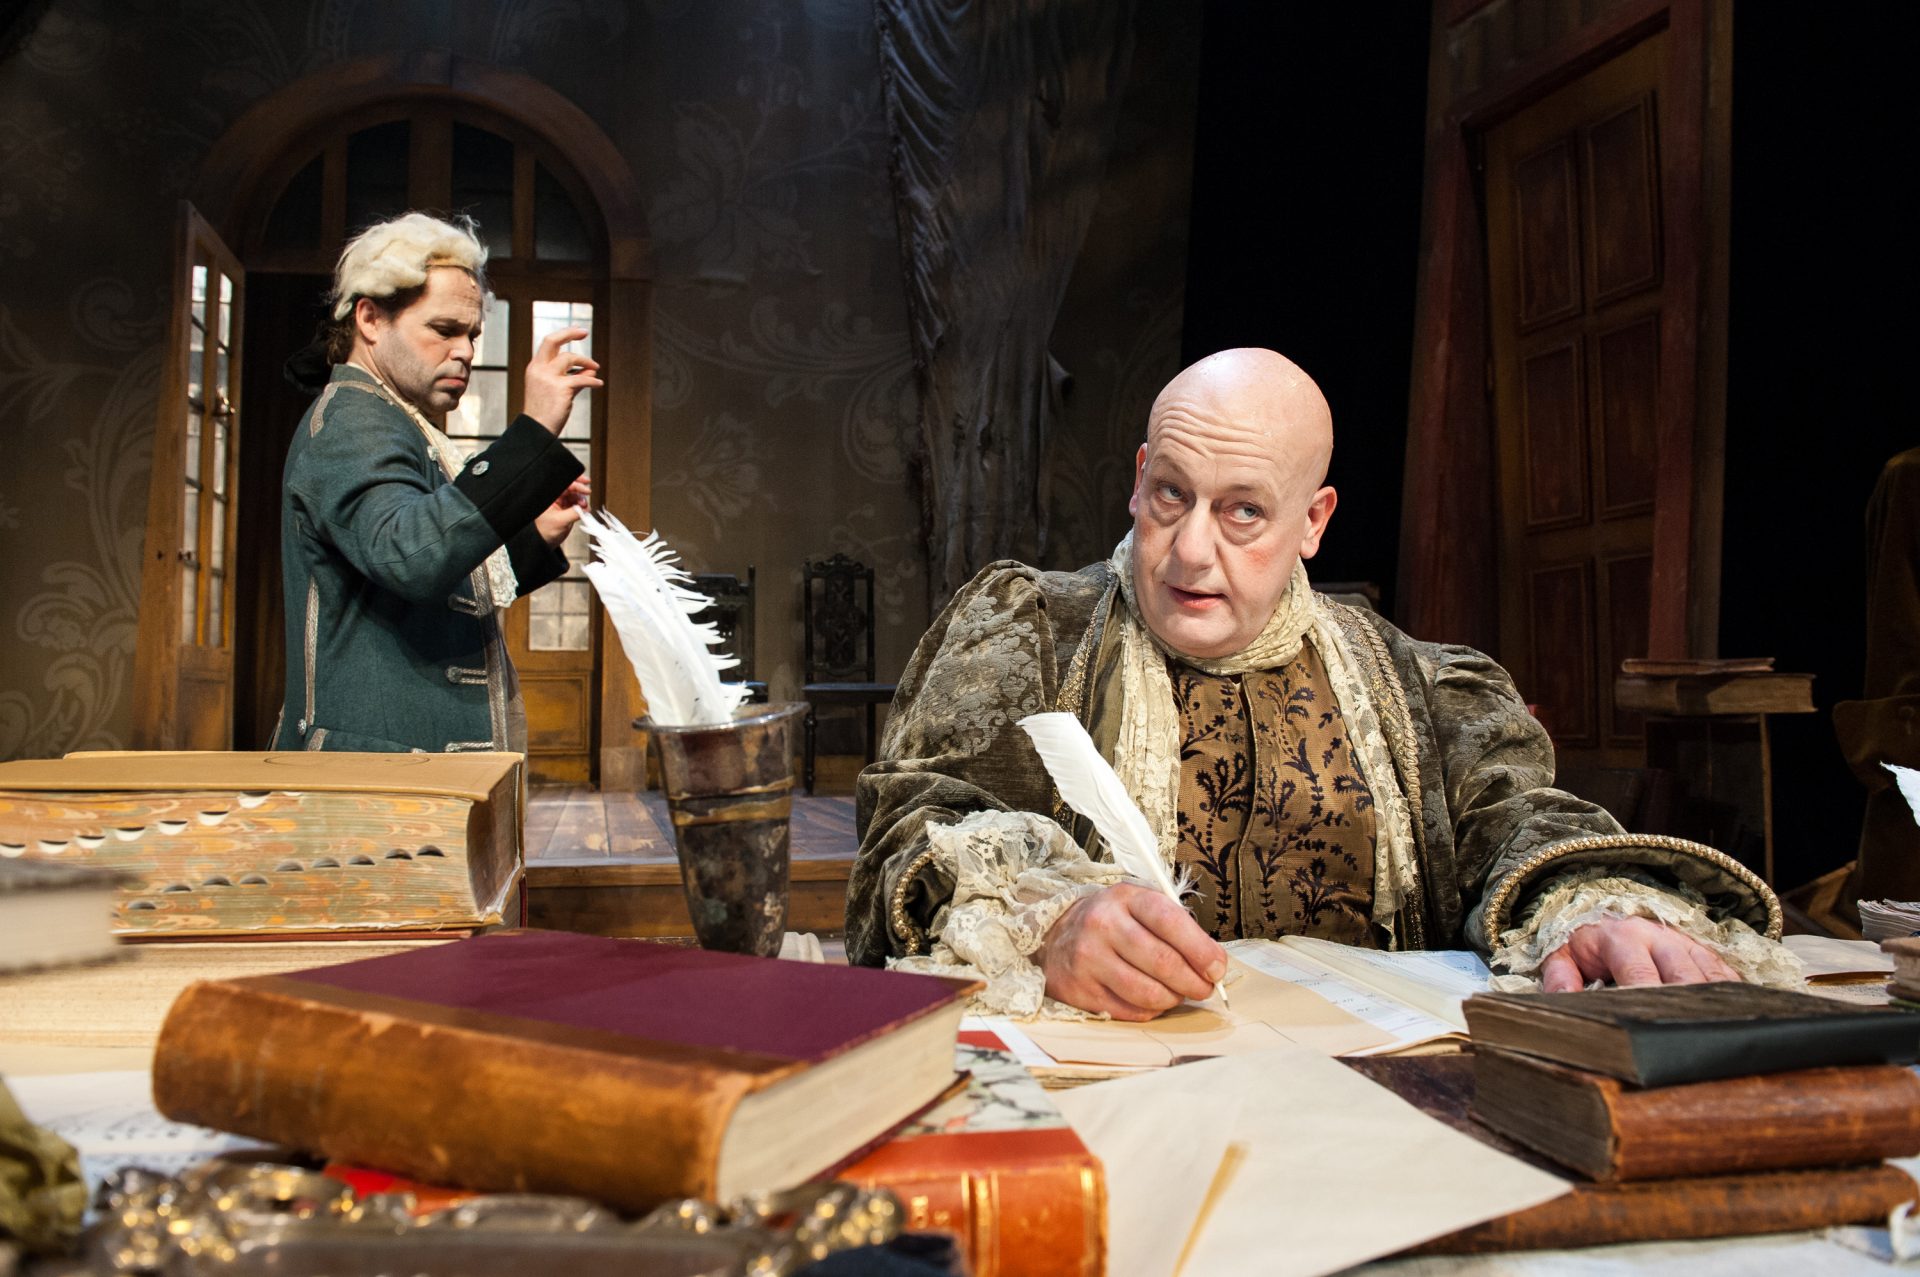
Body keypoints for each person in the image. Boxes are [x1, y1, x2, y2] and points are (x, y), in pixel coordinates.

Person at [848, 349, 1794, 1019]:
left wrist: (1592, 908)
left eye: (1243, 511)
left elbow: (1520, 822)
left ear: (1314, 520)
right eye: (1172, 493)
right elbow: (907, 835)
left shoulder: (1418, 686)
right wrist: (1042, 916)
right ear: (1138, 478)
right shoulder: (1026, 634)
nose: (1190, 549)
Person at [271, 212, 599, 754]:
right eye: (444, 330)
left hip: (408, 765)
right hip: (375, 774)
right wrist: (533, 433)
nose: (466, 351)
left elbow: (439, 584)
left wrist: (533, 533)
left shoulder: (397, 419)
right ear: (370, 319)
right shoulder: (354, 418)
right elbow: (413, 556)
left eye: (472, 335)